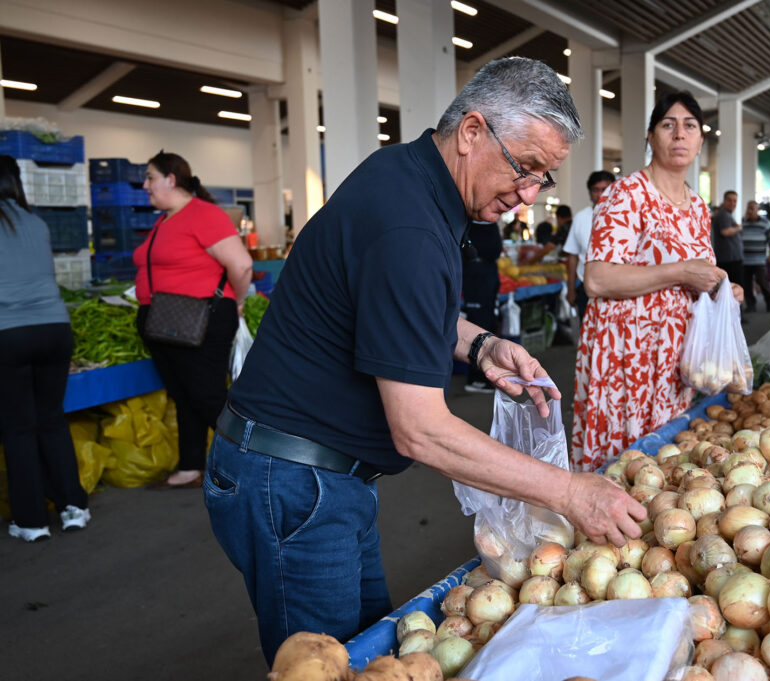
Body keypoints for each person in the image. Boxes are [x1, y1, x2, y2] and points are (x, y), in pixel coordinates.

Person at [207, 57, 646, 664]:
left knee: (370, 654)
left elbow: (392, 307)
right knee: (323, 665)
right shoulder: (410, 225)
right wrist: (569, 492)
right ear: (472, 132)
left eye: (543, 180)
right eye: (526, 169)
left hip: (324, 477)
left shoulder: (408, 178)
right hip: (292, 480)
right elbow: (420, 430)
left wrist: (479, 343)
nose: (526, 197)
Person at [572, 91, 743, 472]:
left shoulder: (698, 207)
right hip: (626, 355)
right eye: (668, 125)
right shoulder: (626, 194)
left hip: (675, 358)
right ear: (651, 137)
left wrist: (721, 291)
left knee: (663, 467)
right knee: (622, 464)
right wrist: (681, 271)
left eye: (690, 126)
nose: (679, 135)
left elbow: (696, 278)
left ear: (700, 140)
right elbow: (597, 280)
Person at [133, 152, 253, 489]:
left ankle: (253, 464)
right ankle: (190, 465)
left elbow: (241, 265)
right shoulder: (166, 219)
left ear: (171, 179)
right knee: (184, 395)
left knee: (207, 395)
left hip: (201, 318)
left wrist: (238, 301)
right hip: (165, 320)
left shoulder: (203, 214)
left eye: (150, 177)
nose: (145, 185)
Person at [0, 155, 90, 542]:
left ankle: (32, 521)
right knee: (52, 419)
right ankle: (74, 507)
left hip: (10, 332)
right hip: (55, 328)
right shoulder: (36, 222)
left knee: (18, 428)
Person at [563, 170, 615, 321]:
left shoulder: (625, 217)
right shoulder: (580, 218)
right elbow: (573, 256)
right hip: (586, 289)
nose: (600, 195)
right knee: (587, 336)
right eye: (595, 190)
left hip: (617, 288)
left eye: (605, 189)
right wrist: (571, 289)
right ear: (590, 192)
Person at [462, 221, 502, 393]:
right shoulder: (471, 224)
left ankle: (485, 375)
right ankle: (476, 379)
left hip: (487, 279)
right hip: (476, 280)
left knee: (489, 326)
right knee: (478, 328)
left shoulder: (489, 222)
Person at [741, 200, 770, 313]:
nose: (750, 210)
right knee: (747, 284)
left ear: (757, 210)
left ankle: (769, 300)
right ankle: (751, 305)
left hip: (759, 259)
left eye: (752, 208)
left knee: (762, 281)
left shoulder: (765, 223)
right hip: (745, 260)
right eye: (749, 208)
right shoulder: (743, 223)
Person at [711, 190, 743, 284]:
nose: (732, 203)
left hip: (731, 259)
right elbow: (725, 231)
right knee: (734, 289)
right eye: (729, 200)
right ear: (724, 201)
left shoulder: (727, 214)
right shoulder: (723, 215)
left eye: (734, 201)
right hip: (728, 260)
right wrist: (739, 227)